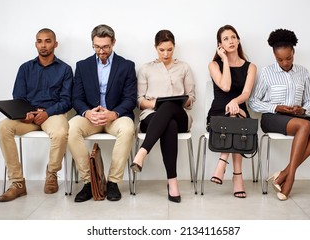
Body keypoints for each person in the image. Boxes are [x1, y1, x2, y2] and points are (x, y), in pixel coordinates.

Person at [0, 28, 73, 202]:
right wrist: (25, 114)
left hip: (53, 114)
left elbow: (67, 100)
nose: (43, 45)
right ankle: (17, 183)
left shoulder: (65, 69)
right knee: (3, 127)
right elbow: (19, 97)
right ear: (35, 44)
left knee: (61, 132)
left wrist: (47, 113)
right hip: (28, 116)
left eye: (47, 41)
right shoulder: (25, 68)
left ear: (55, 44)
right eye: (39, 41)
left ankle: (52, 173)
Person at [249, 28, 310, 201]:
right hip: (272, 118)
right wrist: (277, 107)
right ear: (274, 55)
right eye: (279, 59)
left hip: (297, 118)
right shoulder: (267, 73)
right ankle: (290, 179)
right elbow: (253, 102)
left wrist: (303, 110)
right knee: (305, 126)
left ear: (294, 52)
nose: (284, 62)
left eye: (288, 58)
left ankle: (284, 173)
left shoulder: (303, 72)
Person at [68, 24, 137, 202]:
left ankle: (113, 182)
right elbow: (76, 97)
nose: (101, 51)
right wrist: (86, 112)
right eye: (97, 46)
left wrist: (114, 114)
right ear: (92, 44)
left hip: (116, 117)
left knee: (128, 129)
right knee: (71, 127)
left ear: (113, 43)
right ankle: (89, 182)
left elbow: (130, 98)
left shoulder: (127, 66)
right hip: (91, 117)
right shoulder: (82, 66)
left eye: (105, 46)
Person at [130, 29, 196, 203]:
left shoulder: (184, 67)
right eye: (162, 50)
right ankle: (172, 182)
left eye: (169, 49)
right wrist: (156, 104)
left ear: (174, 47)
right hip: (151, 116)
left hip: (181, 115)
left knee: (169, 107)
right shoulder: (146, 69)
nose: (166, 54)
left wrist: (179, 102)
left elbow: (191, 98)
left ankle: (142, 152)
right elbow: (139, 101)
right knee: (169, 124)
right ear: (155, 48)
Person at [206, 25, 257, 198]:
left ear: (239, 40)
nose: (231, 41)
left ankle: (222, 163)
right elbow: (226, 87)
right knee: (234, 120)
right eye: (226, 39)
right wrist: (225, 61)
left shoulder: (251, 67)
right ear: (219, 44)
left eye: (233, 37)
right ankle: (237, 177)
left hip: (240, 109)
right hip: (218, 112)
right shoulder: (214, 64)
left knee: (236, 116)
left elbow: (246, 93)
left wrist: (235, 102)